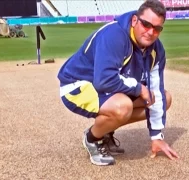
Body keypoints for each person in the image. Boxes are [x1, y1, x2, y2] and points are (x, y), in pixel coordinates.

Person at [57, 0, 179, 166]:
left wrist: (157, 137)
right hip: (77, 85)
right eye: (146, 24)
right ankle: (93, 139)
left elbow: (155, 90)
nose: (150, 32)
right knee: (123, 106)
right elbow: (104, 80)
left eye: (157, 28)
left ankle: (106, 130)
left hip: (104, 88)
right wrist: (139, 88)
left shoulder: (156, 50)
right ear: (135, 20)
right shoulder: (114, 35)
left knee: (163, 98)